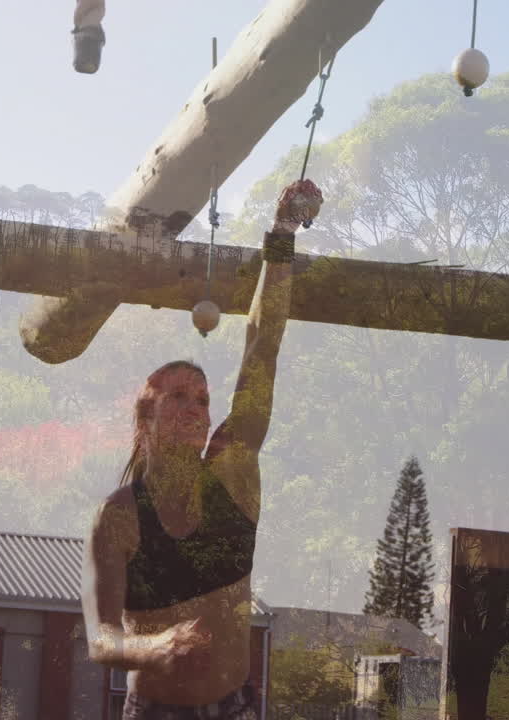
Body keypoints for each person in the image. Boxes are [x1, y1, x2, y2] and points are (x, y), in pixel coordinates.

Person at [82, 179, 323, 719]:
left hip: (234, 709)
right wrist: (153, 646)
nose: (196, 408)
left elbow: (264, 347)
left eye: (202, 398)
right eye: (178, 398)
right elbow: (101, 640)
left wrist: (282, 235)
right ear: (146, 418)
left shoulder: (233, 473)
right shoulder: (119, 516)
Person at [72, 0, 105, 73]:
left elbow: (81, 10)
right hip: (88, 31)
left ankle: (87, 59)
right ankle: (87, 59)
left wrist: (77, 25)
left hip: (87, 30)